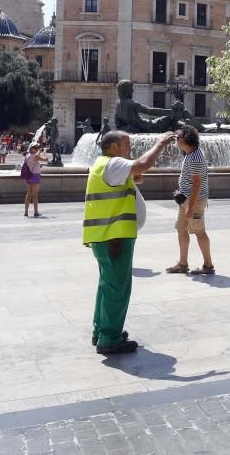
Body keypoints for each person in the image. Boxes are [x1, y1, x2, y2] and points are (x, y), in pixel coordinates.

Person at [86, 129, 176, 354]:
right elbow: (143, 164)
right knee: (118, 288)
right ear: (114, 147)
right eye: (127, 146)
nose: (131, 151)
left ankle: (103, 331)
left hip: (106, 236)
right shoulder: (113, 163)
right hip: (114, 237)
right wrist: (160, 144)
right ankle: (110, 339)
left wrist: (132, 177)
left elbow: (134, 174)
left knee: (107, 285)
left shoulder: (102, 164)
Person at [166, 125, 214, 275]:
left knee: (199, 231)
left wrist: (190, 208)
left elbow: (197, 184)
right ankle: (182, 263)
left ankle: (208, 265)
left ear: (186, 139)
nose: (176, 139)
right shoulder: (190, 152)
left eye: (177, 137)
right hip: (185, 199)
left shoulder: (195, 158)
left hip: (194, 201)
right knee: (181, 229)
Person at [23, 143, 50, 217]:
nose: (37, 149)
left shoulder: (27, 155)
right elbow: (46, 159)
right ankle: (36, 212)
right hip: (35, 176)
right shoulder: (35, 156)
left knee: (28, 194)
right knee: (35, 195)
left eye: (38, 147)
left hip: (28, 176)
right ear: (31, 148)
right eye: (35, 147)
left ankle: (26, 212)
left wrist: (39, 152)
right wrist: (45, 152)